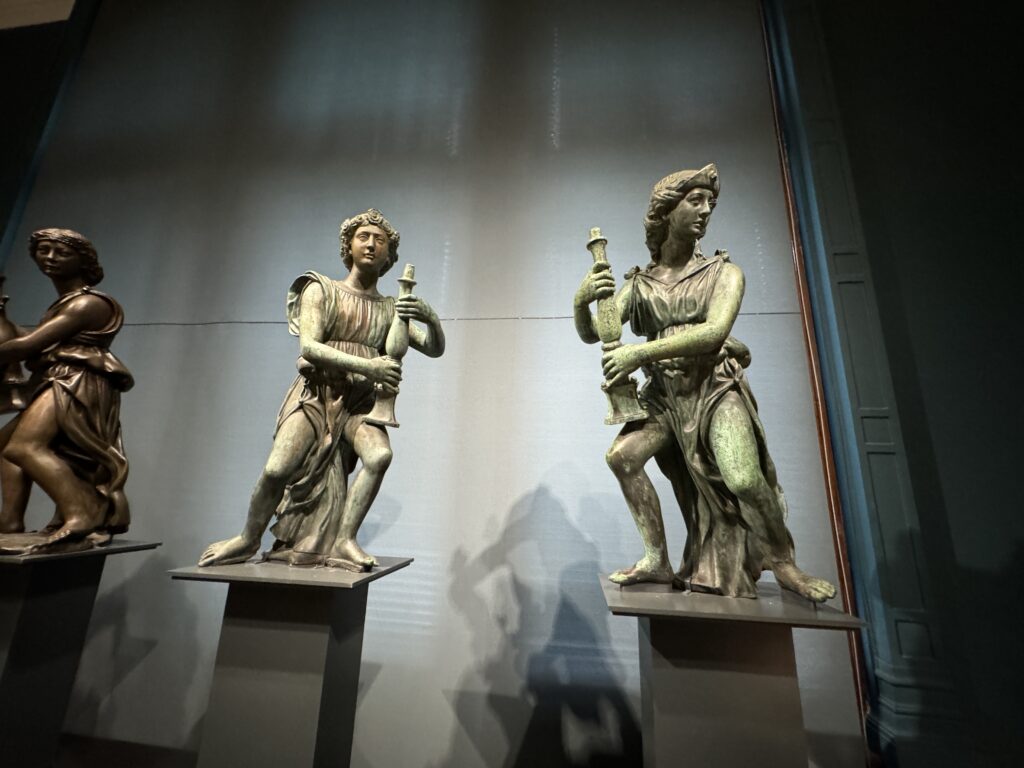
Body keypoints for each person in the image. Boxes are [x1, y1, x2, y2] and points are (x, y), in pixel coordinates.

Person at [573, 165, 836, 601]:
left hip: (714, 386)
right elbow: (600, 333)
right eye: (695, 201)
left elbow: (714, 334)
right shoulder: (640, 284)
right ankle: (656, 558)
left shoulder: (725, 274)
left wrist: (640, 354)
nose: (706, 210)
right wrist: (582, 301)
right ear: (666, 211)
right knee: (622, 457)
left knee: (744, 478)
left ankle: (784, 563)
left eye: (709, 202)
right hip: (665, 395)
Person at [200, 209, 445, 570]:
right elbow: (310, 347)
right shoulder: (321, 289)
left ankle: (345, 540)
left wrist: (431, 318)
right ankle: (248, 538)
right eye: (363, 237)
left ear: (389, 256)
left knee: (379, 457)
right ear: (348, 246)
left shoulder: (392, 308)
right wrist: (370, 366)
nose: (371, 245)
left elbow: (434, 348)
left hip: (360, 403)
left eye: (380, 241)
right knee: (277, 469)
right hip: (316, 393)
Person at [0, 228, 133, 550]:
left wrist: (14, 341)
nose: (50, 258)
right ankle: (10, 521)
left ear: (83, 260)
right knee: (5, 447)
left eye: (61, 252)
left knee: (24, 446)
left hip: (75, 382)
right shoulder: (64, 304)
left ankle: (80, 513)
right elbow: (35, 341)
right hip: (57, 378)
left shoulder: (88, 303)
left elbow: (29, 345)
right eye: (43, 250)